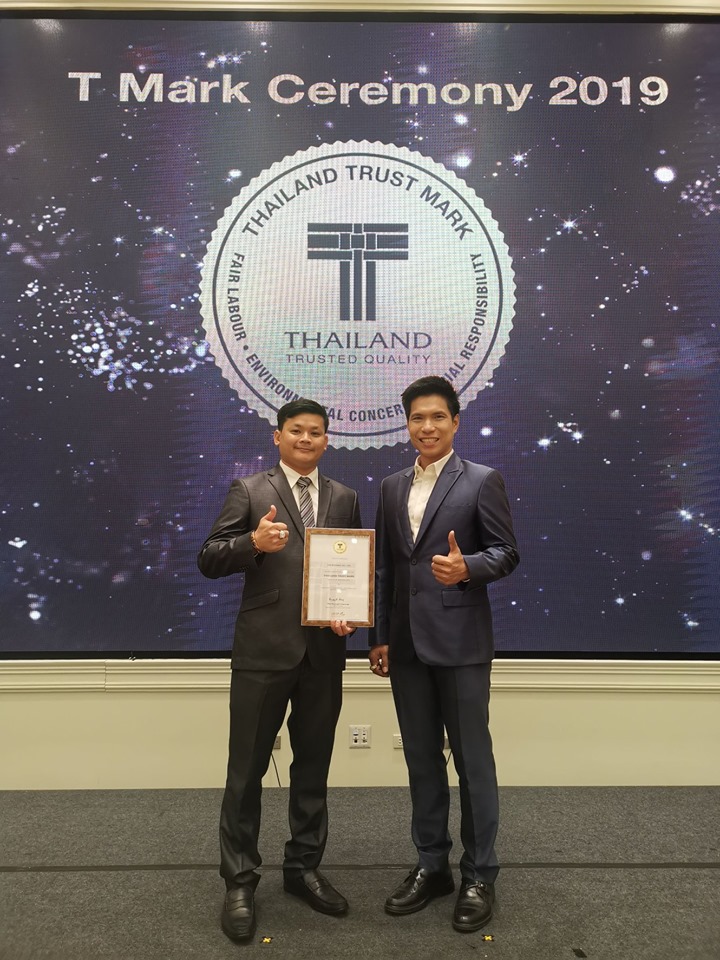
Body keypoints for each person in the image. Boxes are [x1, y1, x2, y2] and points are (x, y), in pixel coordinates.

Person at [198, 398, 361, 943]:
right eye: (296, 430)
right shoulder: (249, 491)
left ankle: (303, 869)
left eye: (316, 432)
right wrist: (252, 543)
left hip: (324, 654)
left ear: (327, 440)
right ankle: (240, 881)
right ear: (278, 436)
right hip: (263, 652)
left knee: (312, 769)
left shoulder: (345, 497)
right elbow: (209, 558)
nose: (306, 439)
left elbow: (353, 569)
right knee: (245, 771)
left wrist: (349, 613)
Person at [368, 376, 519, 934]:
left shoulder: (481, 480)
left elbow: (506, 553)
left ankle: (479, 874)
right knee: (421, 759)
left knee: (473, 762)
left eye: (437, 417)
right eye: (417, 418)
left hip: (460, 643)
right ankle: (432, 866)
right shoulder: (390, 486)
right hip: (405, 645)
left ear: (455, 422)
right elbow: (386, 567)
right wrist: (379, 636)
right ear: (406, 424)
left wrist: (466, 568)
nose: (426, 427)